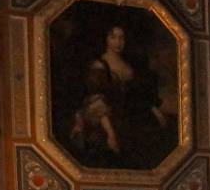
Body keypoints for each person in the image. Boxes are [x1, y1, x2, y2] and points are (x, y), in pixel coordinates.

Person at [70, 25, 173, 169]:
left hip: (129, 117)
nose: (118, 42)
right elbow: (96, 102)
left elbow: (138, 96)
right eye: (113, 37)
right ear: (106, 39)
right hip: (106, 120)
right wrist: (110, 134)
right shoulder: (99, 65)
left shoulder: (129, 65)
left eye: (121, 38)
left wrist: (156, 111)